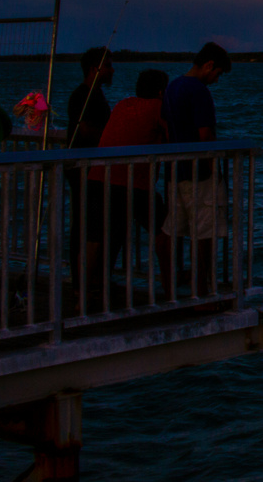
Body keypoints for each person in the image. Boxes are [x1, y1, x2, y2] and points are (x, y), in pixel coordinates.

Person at [85, 69, 171, 309]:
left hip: (99, 176)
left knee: (96, 238)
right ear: (161, 91)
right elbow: (174, 138)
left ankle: (84, 292)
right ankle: (170, 288)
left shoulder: (123, 104)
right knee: (164, 231)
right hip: (131, 182)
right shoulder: (158, 108)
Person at [161, 43, 231, 297]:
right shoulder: (199, 91)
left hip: (175, 173)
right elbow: (205, 135)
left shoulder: (172, 87)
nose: (216, 80)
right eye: (218, 74)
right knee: (205, 234)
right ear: (209, 65)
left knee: (173, 231)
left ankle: (169, 289)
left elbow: (166, 129)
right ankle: (202, 293)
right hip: (200, 175)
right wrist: (215, 170)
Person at [66, 46, 115, 311]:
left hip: (85, 168)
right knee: (88, 228)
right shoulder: (85, 95)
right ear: (95, 69)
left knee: (87, 226)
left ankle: (87, 283)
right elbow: (84, 129)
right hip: (83, 169)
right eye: (108, 65)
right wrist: (110, 140)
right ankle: (82, 286)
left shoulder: (91, 94)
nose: (112, 70)